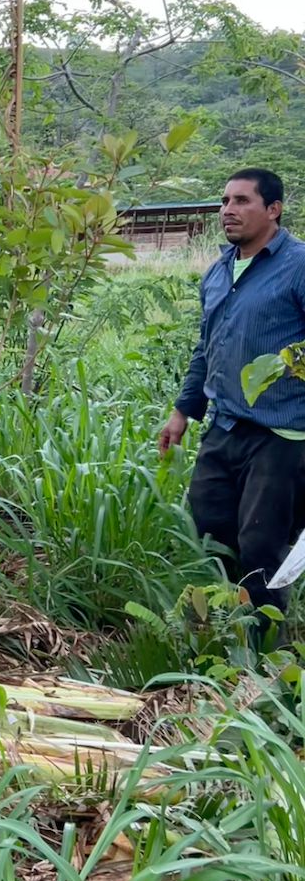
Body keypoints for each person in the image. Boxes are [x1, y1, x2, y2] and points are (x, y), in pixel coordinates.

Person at [158, 167, 305, 638]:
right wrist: (183, 410)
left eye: (242, 201)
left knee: (261, 543)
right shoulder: (219, 271)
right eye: (224, 201)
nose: (228, 210)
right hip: (224, 426)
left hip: (281, 432)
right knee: (210, 527)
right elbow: (208, 346)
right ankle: (228, 630)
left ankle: (269, 652)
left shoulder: (298, 265)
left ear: (273, 209)